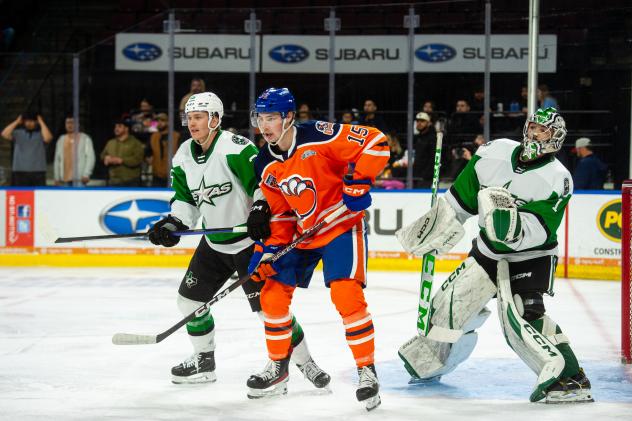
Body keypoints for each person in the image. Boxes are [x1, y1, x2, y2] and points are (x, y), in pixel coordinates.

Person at [397, 107, 593, 404]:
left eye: (543, 131)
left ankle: (571, 378)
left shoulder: (558, 178)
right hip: (487, 252)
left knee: (524, 316)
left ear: (556, 138)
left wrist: (508, 223)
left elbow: (540, 229)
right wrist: (438, 227)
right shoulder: (495, 152)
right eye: (532, 128)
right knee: (448, 307)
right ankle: (433, 360)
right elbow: (461, 199)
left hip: (531, 257)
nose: (534, 135)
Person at [148, 92, 329, 389]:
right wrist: (173, 222)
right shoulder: (182, 155)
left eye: (199, 117)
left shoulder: (235, 149)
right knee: (189, 301)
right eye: (189, 117)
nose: (192, 123)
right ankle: (203, 361)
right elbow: (185, 200)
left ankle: (305, 363)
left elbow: (264, 183)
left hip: (249, 245)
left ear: (215, 119)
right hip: (215, 245)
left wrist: (261, 207)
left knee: (269, 312)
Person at [245, 87, 389, 410]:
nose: (265, 126)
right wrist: (267, 252)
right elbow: (280, 214)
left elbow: (376, 142)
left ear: (289, 117)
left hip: (341, 225)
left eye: (272, 118)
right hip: (303, 233)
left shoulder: (318, 136)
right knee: (271, 296)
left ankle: (367, 371)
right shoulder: (264, 163)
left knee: (346, 294)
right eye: (260, 118)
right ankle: (279, 369)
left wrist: (359, 180)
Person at [1, 112, 53, 186]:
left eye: (32, 121)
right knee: (20, 195)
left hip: (38, 171)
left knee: (40, 195)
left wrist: (41, 122)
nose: (29, 123)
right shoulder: (17, 133)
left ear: (36, 122)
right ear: (24, 122)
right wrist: (16, 121)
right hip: (20, 171)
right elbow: (4, 134)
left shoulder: (41, 134)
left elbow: (48, 138)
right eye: (27, 121)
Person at [100, 120, 145, 186]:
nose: (116, 129)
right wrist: (105, 158)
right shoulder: (110, 142)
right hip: (113, 180)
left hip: (130, 181)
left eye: (119, 126)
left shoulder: (135, 143)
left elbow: (138, 159)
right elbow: (102, 155)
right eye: (115, 127)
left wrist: (121, 160)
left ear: (126, 129)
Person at [53, 116, 95, 186]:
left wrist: (86, 174)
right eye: (68, 123)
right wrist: (56, 177)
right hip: (64, 180)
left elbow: (90, 157)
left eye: (72, 123)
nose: (70, 125)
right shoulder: (61, 140)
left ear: (78, 124)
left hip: (80, 180)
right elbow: (57, 160)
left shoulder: (85, 138)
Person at [146, 113, 181, 187]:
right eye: (157, 121)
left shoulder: (176, 136)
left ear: (168, 122)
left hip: (173, 175)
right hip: (157, 175)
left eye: (162, 120)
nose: (159, 123)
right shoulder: (153, 136)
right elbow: (148, 152)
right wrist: (149, 158)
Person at [411, 112, 436, 188]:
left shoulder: (432, 138)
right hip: (416, 174)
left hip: (426, 177)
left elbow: (433, 158)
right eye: (417, 121)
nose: (419, 123)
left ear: (428, 123)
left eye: (422, 121)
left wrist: (426, 175)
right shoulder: (417, 137)